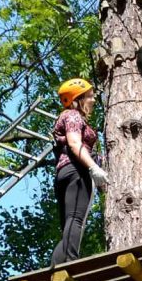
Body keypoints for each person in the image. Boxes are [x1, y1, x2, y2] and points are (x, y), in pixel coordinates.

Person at [51, 78, 108, 266]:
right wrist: (93, 167)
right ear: (79, 98)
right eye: (90, 96)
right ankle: (71, 263)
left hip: (64, 173)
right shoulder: (73, 116)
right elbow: (75, 143)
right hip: (77, 171)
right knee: (75, 219)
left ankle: (55, 268)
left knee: (69, 223)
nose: (93, 100)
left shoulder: (68, 117)